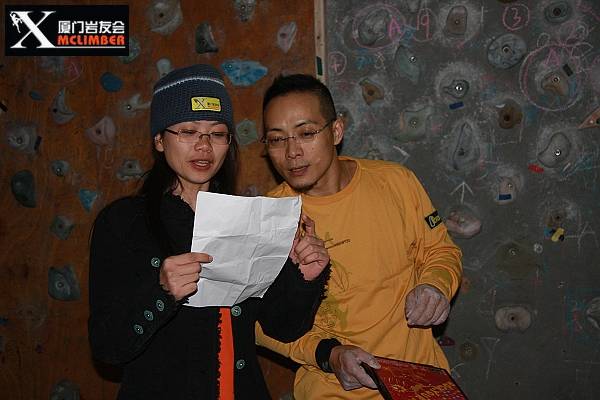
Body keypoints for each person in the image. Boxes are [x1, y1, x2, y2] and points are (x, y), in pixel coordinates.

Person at [88, 64, 331, 400]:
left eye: (217, 134)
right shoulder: (124, 222)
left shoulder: (245, 217)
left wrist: (303, 277)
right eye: (188, 132)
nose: (204, 146)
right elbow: (107, 348)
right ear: (159, 140)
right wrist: (161, 292)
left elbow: (282, 327)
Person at [256, 74, 463, 399]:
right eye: (277, 140)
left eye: (306, 133)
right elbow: (256, 324)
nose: (292, 152)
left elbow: (440, 250)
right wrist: (328, 354)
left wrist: (435, 286)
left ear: (336, 131)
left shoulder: (395, 183)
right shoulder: (267, 219)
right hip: (331, 391)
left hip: (421, 383)